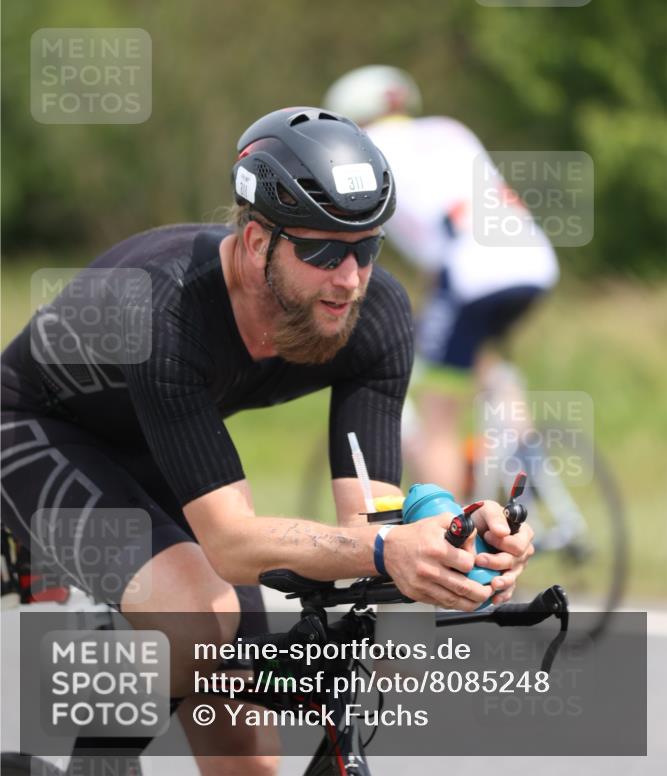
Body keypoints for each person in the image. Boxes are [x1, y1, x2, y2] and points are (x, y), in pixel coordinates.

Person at [1, 107, 534, 775]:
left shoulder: (374, 316)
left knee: (248, 753)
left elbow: (371, 521)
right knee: (197, 618)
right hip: (34, 428)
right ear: (257, 242)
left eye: (366, 248)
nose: (349, 277)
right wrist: (384, 549)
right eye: (322, 251)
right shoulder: (165, 305)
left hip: (156, 443)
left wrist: (452, 539)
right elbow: (229, 542)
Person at [323, 68, 560, 495]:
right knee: (480, 356)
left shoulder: (367, 155)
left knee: (438, 417)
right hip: (533, 261)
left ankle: (448, 520)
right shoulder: (448, 130)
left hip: (472, 273)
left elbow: (405, 245)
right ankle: (529, 462)